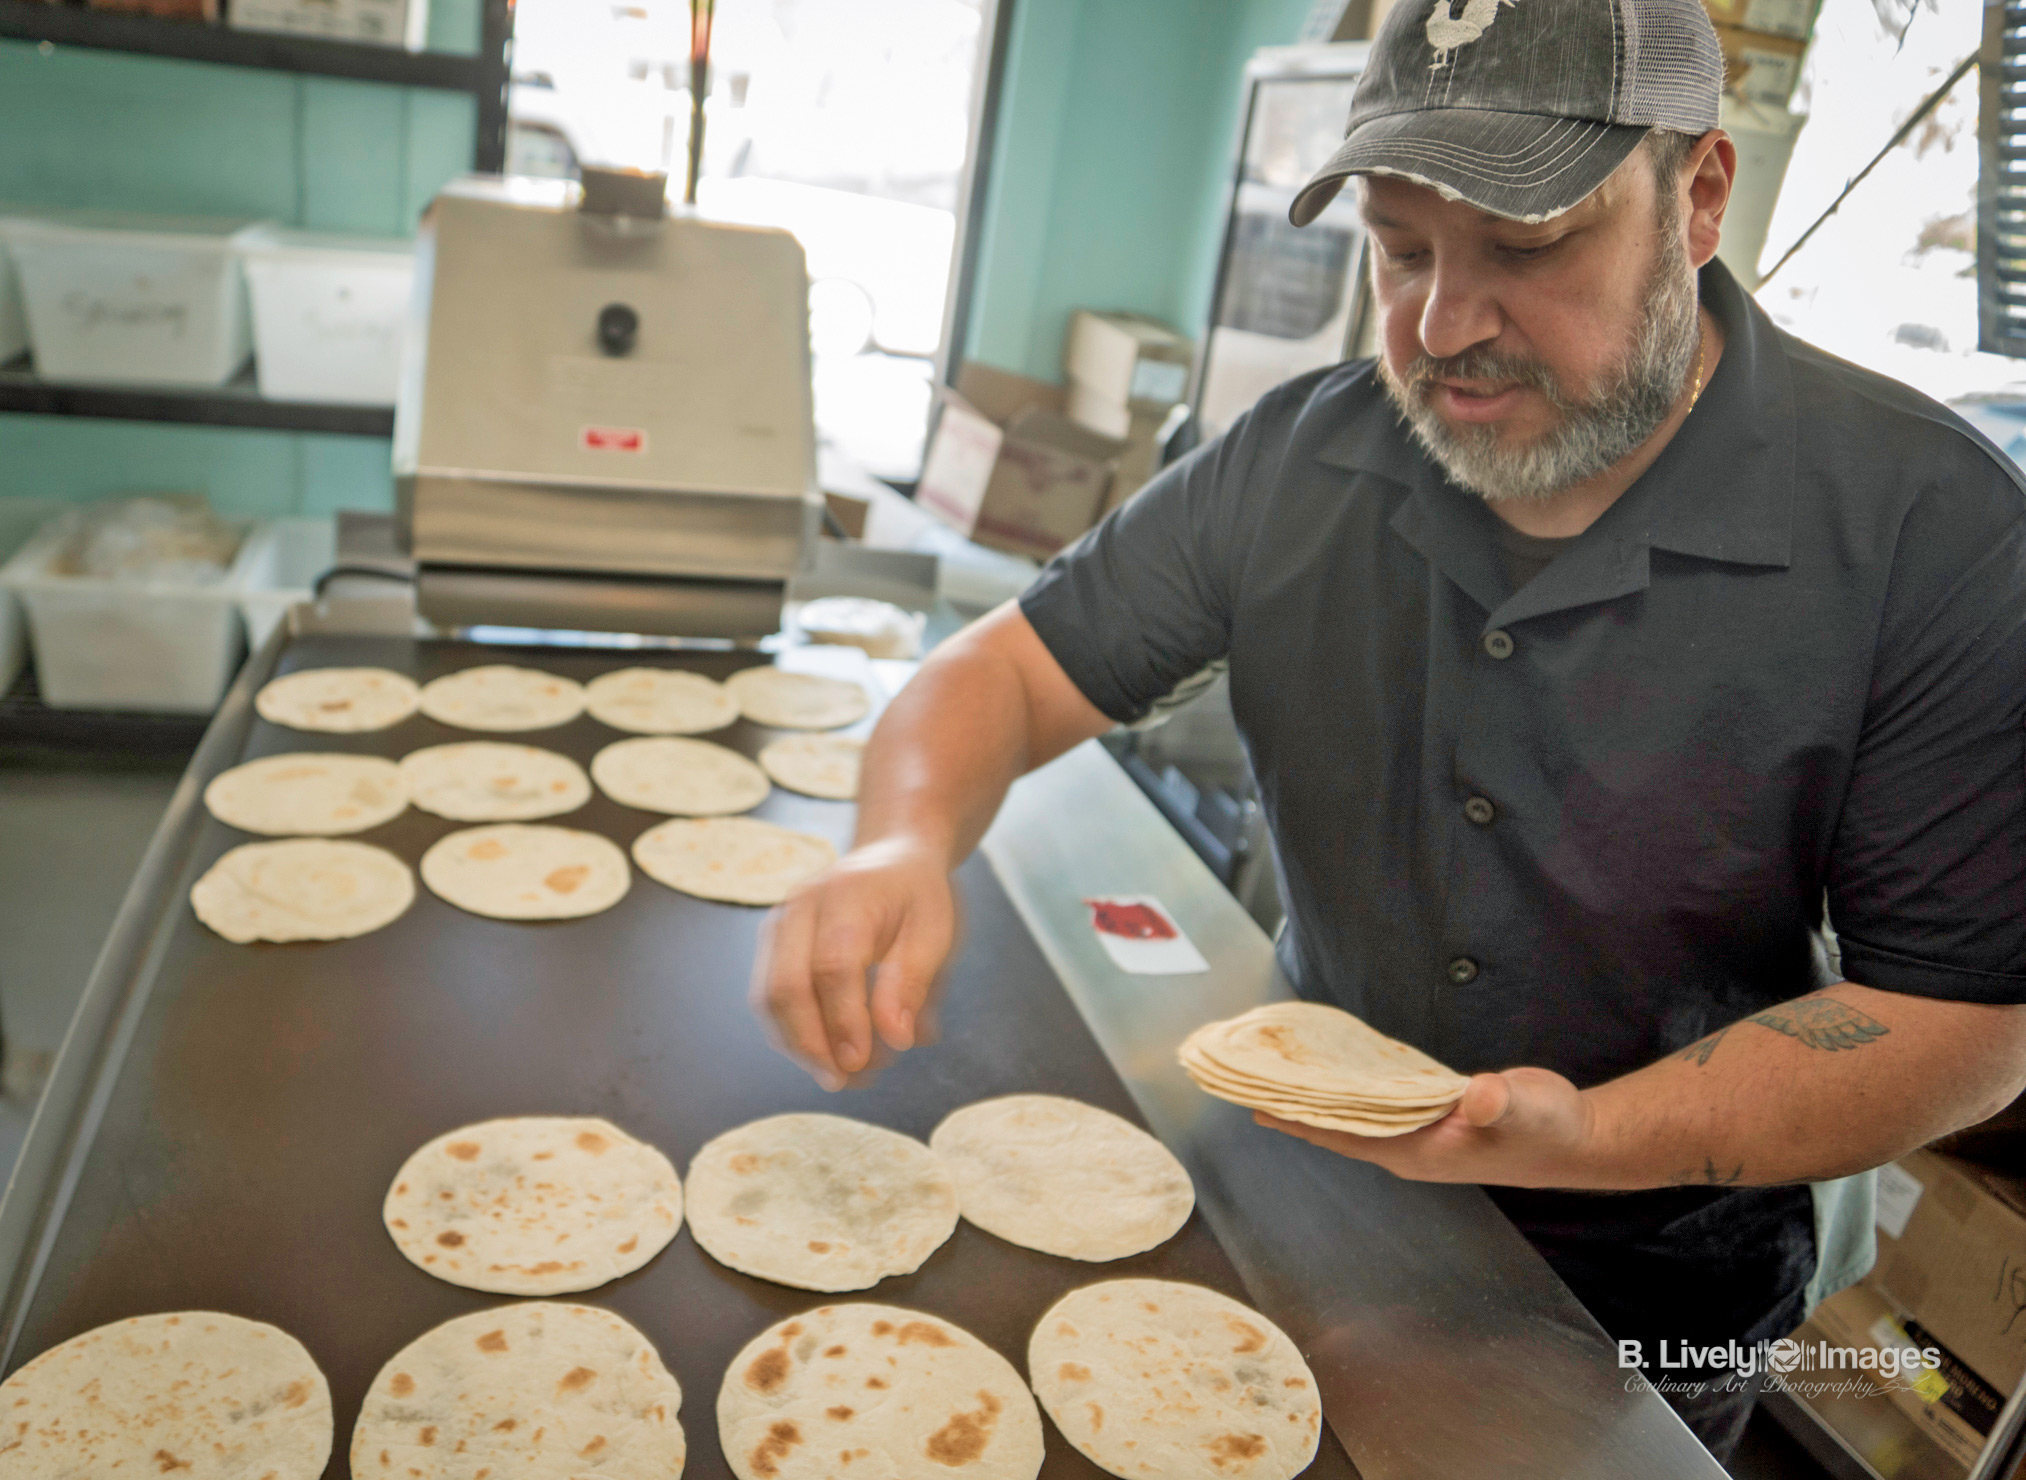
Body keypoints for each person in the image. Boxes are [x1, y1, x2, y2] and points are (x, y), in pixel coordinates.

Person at [751, 0, 2026, 1461]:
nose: (1438, 325)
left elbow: (1964, 1024)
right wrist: (903, 841)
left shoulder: (1925, 533)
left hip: (1652, 1275)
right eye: (1401, 246)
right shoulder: (1302, 459)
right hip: (1300, 1178)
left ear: (1698, 199)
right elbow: (1010, 671)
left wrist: (1586, 1137)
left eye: (1526, 245)